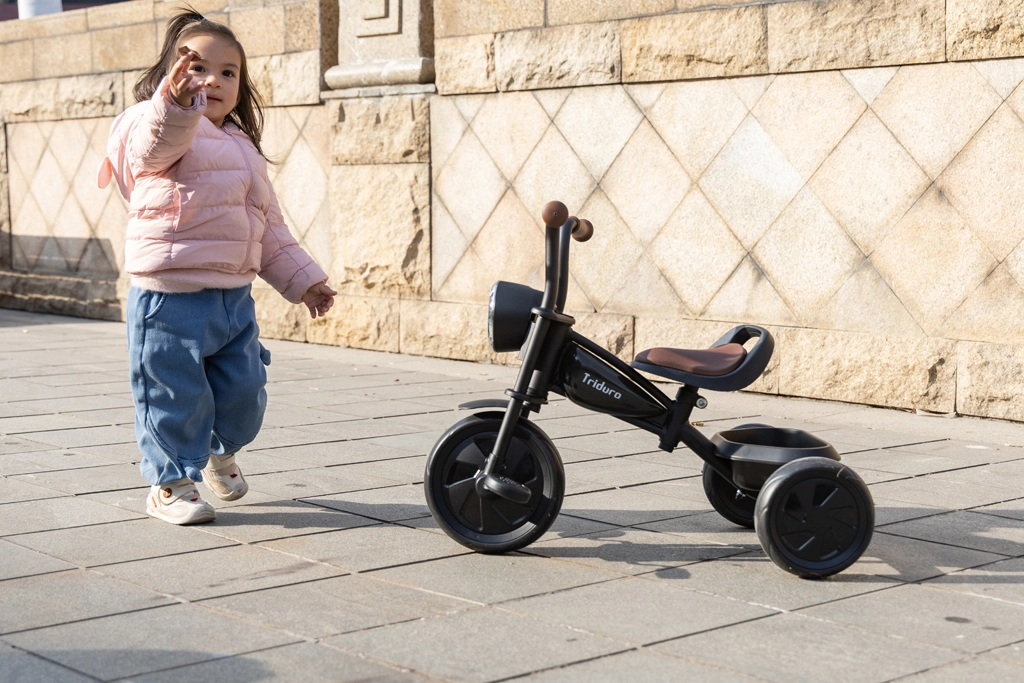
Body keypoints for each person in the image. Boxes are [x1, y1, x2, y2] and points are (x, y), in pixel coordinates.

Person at [97, 9, 336, 525]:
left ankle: (217, 451)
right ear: (171, 74)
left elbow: (268, 226)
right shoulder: (154, 121)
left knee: (244, 394)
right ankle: (169, 483)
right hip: (169, 298)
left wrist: (304, 281)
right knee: (173, 394)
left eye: (229, 72)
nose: (213, 80)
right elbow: (155, 145)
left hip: (233, 298)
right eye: (198, 68)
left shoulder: (242, 146)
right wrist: (176, 102)